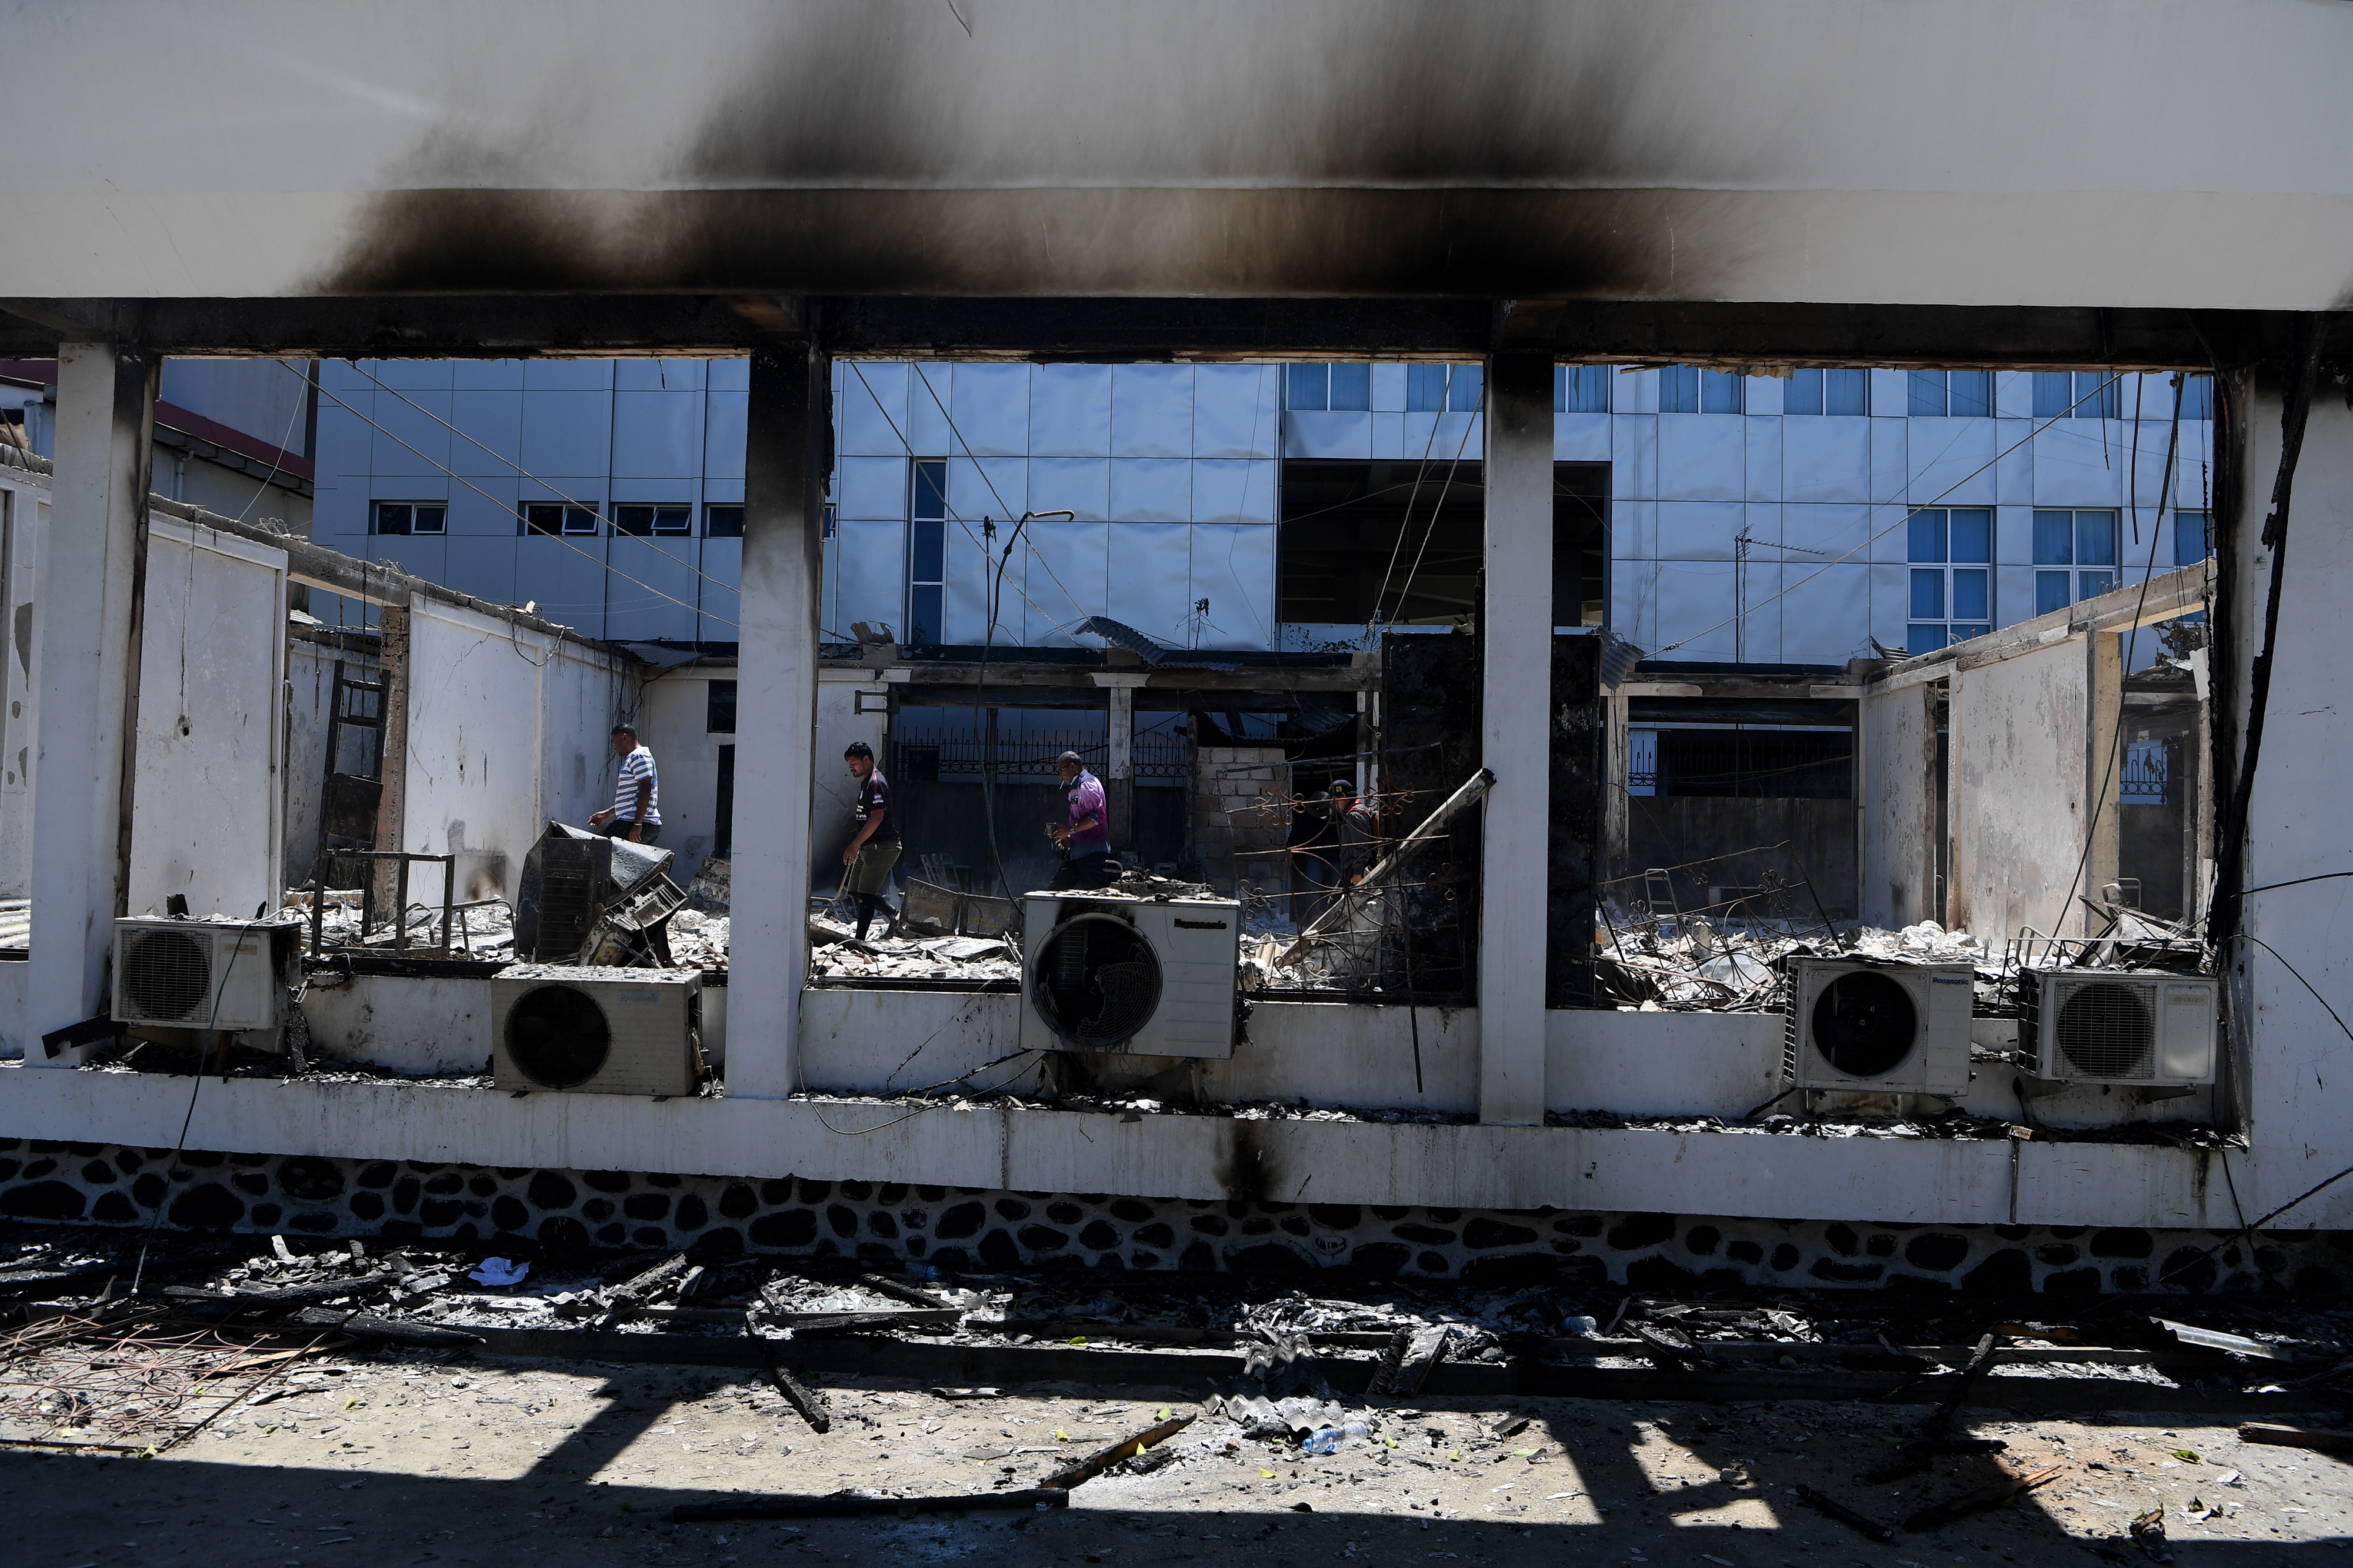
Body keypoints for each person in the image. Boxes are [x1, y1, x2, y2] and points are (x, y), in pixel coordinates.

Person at [841, 740, 900, 939]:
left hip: (881, 846)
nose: (851, 767)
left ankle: (859, 941)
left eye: (853, 762)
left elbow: (877, 817)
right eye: (849, 763)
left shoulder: (876, 783)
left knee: (866, 895)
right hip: (868, 847)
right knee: (856, 891)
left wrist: (854, 844)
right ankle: (895, 915)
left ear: (866, 760)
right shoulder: (867, 782)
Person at [1049, 749, 1119, 889]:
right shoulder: (1077, 787)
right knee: (1056, 888)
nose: (1060, 775)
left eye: (1062, 770)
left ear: (1072, 767)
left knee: (1093, 892)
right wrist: (1068, 835)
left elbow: (1096, 818)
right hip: (1078, 850)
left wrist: (1071, 830)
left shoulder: (1087, 785)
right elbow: (1081, 819)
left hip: (1091, 851)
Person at [588, 723, 661, 844]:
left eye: (615, 742)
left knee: (600, 851)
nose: (614, 747)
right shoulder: (637, 757)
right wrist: (608, 814)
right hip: (638, 822)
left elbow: (646, 789)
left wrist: (638, 824)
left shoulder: (639, 756)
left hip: (632, 823)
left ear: (624, 738)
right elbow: (631, 799)